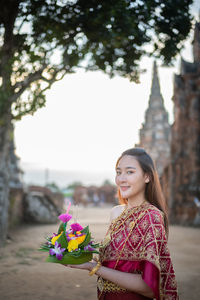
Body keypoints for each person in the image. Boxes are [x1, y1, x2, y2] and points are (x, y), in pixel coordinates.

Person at [64, 148, 179, 299]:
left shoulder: (152, 217)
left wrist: (94, 267)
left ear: (147, 176)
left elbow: (150, 288)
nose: (121, 179)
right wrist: (79, 253)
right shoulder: (116, 213)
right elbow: (114, 264)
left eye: (129, 172)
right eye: (118, 172)